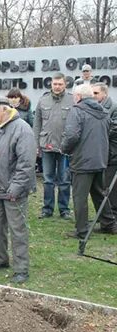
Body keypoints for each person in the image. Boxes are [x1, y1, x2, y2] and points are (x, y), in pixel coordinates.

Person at [0, 96, 36, 284]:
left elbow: (26, 164)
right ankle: (0, 259)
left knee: (17, 229)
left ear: (5, 109)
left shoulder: (22, 129)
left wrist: (15, 188)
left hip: (15, 191)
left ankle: (21, 269)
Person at [61, 84, 117, 238]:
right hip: (100, 159)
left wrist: (64, 149)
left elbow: (71, 135)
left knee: (80, 197)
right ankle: (109, 224)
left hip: (82, 161)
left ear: (78, 96)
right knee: (99, 193)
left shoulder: (77, 110)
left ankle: (82, 231)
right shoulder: (104, 112)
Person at [33, 72, 74, 219]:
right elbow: (37, 123)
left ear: (65, 84)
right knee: (48, 179)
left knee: (64, 180)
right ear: (51, 84)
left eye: (60, 84)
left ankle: (64, 210)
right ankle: (47, 209)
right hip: (47, 146)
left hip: (65, 147)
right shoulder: (43, 100)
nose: (57, 87)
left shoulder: (72, 100)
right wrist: (36, 144)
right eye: (55, 84)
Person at [92, 82, 117, 217]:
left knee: (111, 189)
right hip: (100, 154)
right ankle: (104, 217)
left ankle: (113, 217)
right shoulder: (95, 108)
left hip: (111, 154)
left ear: (105, 94)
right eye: (92, 93)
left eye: (96, 93)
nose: (93, 96)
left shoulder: (113, 108)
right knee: (101, 188)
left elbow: (114, 129)